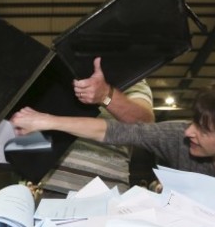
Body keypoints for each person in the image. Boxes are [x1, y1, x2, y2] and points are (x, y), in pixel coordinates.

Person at [12, 77, 215, 219]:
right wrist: (45, 120)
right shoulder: (177, 136)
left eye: (204, 129)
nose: (189, 131)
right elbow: (113, 130)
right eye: (194, 120)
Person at [38, 56, 154, 196]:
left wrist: (106, 95)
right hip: (54, 188)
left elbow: (146, 127)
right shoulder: (63, 71)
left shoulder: (133, 78)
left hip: (108, 191)